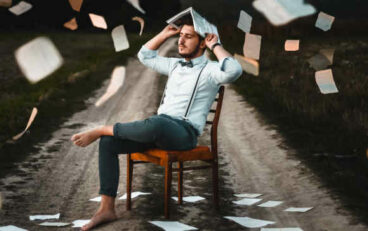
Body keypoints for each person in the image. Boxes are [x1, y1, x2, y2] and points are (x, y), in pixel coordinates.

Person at [70, 18, 242, 231]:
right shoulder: (174, 65)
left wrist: (215, 45)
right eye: (180, 36)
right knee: (109, 143)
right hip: (158, 130)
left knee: (156, 123)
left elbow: (234, 71)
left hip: (183, 134)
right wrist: (164, 35)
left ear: (202, 43)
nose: (181, 41)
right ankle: (106, 209)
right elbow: (144, 55)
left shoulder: (211, 70)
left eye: (188, 37)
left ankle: (103, 129)